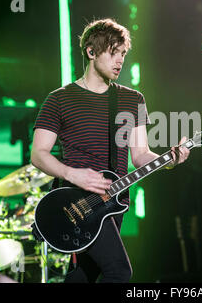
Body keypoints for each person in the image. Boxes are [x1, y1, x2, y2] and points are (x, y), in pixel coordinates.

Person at [30, 18, 190, 283]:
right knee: (119, 271)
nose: (120, 61)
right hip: (76, 200)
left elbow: (140, 155)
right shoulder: (59, 99)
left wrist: (170, 160)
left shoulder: (132, 98)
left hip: (113, 203)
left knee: (84, 276)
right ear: (91, 52)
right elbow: (38, 154)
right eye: (113, 52)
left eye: (123, 54)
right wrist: (73, 175)